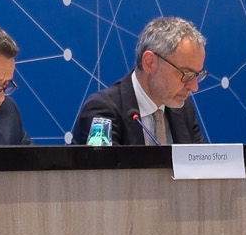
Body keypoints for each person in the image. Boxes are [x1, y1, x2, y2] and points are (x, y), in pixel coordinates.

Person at [71, 16, 209, 146]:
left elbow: (199, 162)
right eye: (186, 73)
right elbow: (105, 164)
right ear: (149, 63)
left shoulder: (183, 110)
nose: (194, 87)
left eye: (198, 74)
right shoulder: (102, 112)